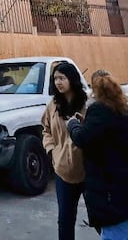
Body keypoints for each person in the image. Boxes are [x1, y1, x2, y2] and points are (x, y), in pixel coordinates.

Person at [67, 70, 128, 239]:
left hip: (118, 195)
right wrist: (88, 124)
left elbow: (81, 139)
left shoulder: (99, 110)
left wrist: (73, 124)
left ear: (95, 91)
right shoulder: (126, 111)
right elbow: (108, 132)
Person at [41, 61, 88, 240]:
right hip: (62, 171)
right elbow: (45, 129)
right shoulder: (53, 105)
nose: (58, 82)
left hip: (87, 170)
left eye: (62, 78)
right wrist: (51, 150)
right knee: (65, 219)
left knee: (99, 216)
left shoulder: (87, 103)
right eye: (55, 79)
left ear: (72, 79)